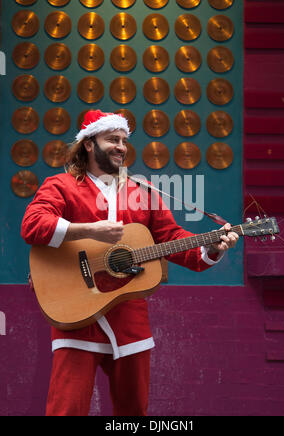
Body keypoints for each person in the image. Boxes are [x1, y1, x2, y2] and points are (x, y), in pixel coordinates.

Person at [21, 109, 239, 416]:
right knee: (65, 410)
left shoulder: (145, 192)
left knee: (134, 411)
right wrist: (88, 230)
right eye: (112, 139)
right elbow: (33, 224)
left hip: (130, 321)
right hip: (74, 316)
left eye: (124, 140)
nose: (121, 147)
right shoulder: (62, 185)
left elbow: (172, 239)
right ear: (88, 143)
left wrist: (212, 247)